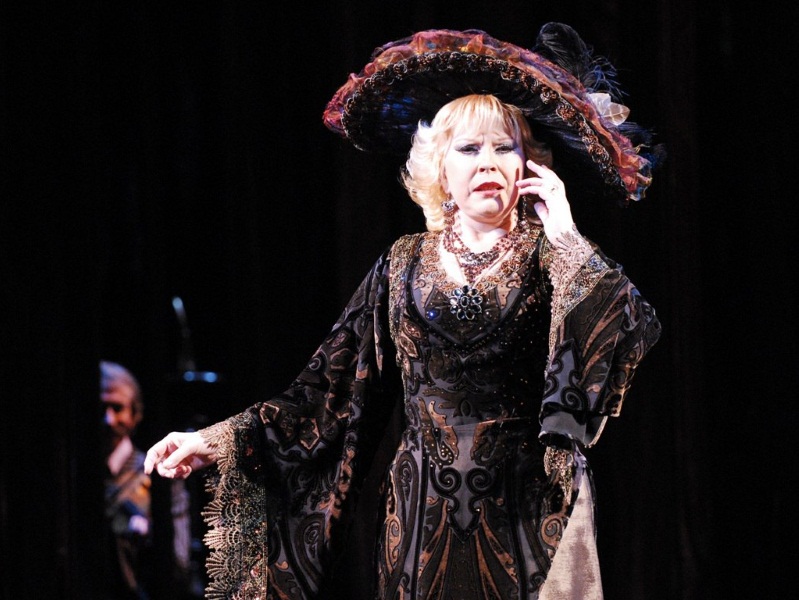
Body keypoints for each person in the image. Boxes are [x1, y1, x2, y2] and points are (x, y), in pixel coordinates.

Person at [144, 23, 663, 600]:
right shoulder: (403, 263)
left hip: (534, 513)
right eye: (469, 149)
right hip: (423, 522)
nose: (488, 162)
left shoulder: (553, 256)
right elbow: (331, 392)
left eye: (504, 147)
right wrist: (215, 440)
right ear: (440, 169)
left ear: (530, 164)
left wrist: (565, 233)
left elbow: (623, 327)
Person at [101, 360, 152, 599]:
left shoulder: (153, 472)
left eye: (117, 408)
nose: (108, 420)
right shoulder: (71, 477)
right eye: (101, 408)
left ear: (135, 413)